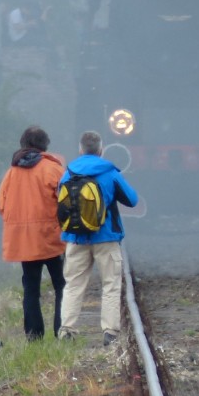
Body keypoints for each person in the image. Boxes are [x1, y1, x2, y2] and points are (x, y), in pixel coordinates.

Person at [58, 131, 138, 346]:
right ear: (101, 150)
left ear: (80, 149)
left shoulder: (68, 173)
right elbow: (132, 200)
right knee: (110, 284)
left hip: (75, 238)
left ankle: (67, 330)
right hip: (105, 238)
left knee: (73, 285)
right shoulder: (109, 172)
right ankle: (110, 332)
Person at [0, 126, 67, 341]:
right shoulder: (53, 169)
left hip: (23, 242)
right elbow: (66, 202)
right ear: (45, 145)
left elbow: (1, 204)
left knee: (31, 288)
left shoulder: (12, 173)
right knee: (62, 285)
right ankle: (62, 331)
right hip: (51, 238)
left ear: (23, 145)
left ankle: (34, 336)